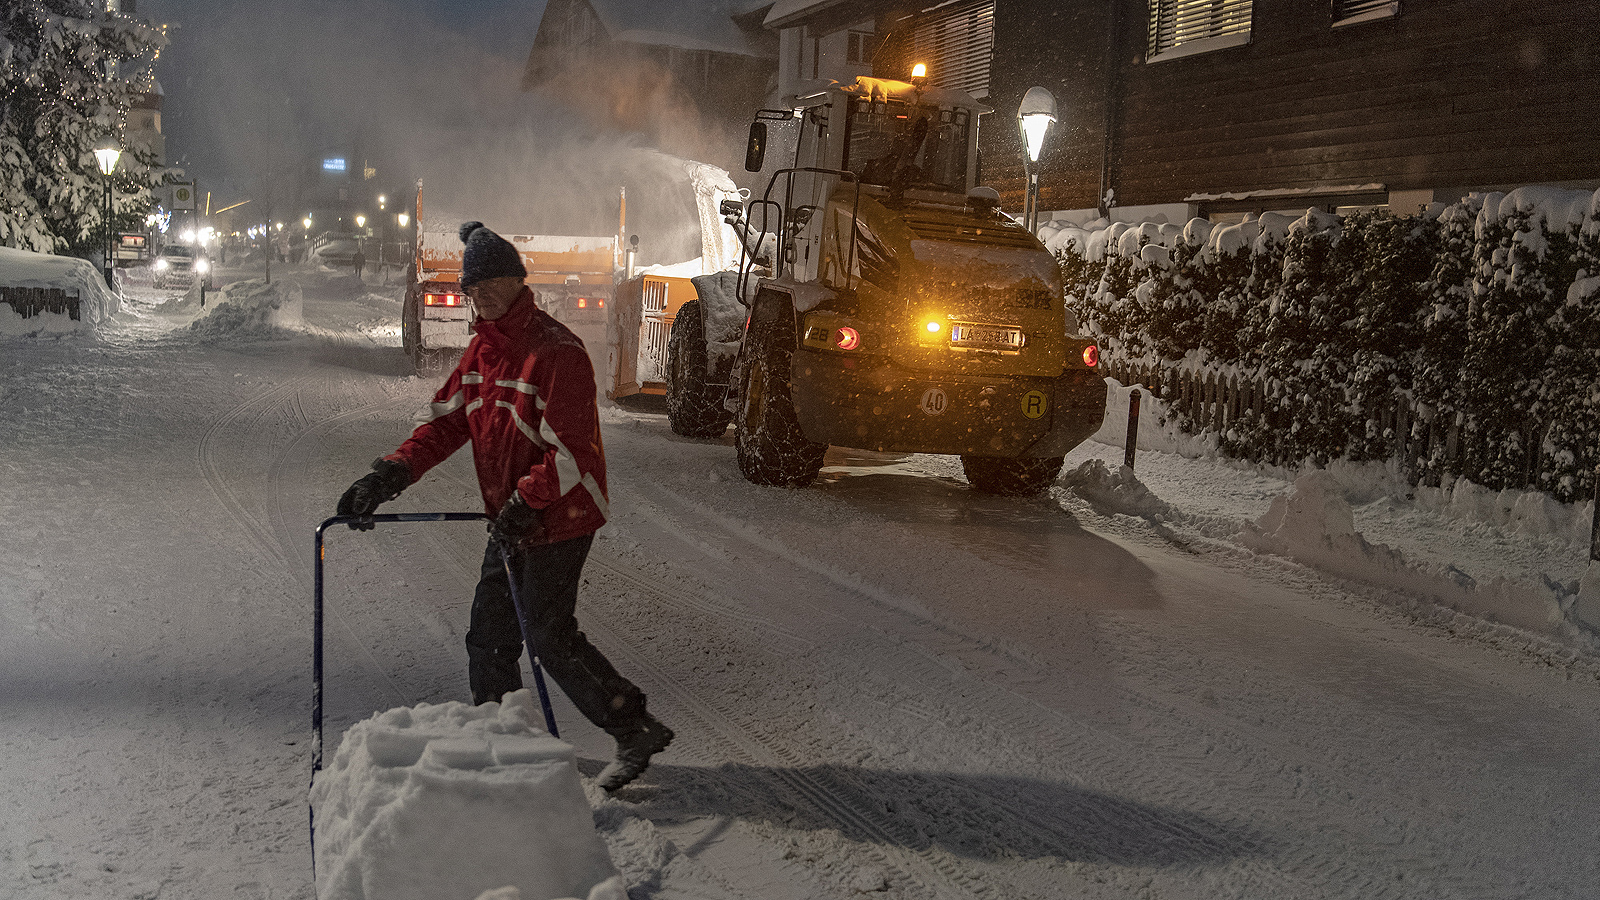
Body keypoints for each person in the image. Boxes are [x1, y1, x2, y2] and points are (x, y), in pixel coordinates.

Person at [336, 221, 673, 791]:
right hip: (514, 517)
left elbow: (574, 455)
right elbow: (444, 426)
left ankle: (633, 726)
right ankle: (500, 741)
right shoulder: (481, 352)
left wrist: (525, 501)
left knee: (547, 634)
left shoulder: (557, 353)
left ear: (520, 282)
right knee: (489, 636)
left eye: (495, 283)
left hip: (562, 513)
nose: (484, 296)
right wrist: (391, 474)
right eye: (475, 288)